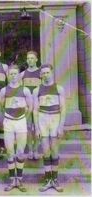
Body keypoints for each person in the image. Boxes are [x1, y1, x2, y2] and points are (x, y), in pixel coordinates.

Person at [32, 64, 66, 192]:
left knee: (55, 150)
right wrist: (37, 128)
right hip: (42, 119)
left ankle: (55, 180)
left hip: (55, 119)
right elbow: (35, 110)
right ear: (41, 74)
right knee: (46, 150)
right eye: (43, 73)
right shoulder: (37, 90)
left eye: (47, 72)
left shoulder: (59, 88)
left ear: (52, 72)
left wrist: (61, 126)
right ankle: (47, 180)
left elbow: (63, 109)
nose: (45, 75)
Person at [0, 65, 33, 192]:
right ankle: (11, 180)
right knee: (9, 152)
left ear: (19, 75)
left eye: (15, 74)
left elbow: (30, 107)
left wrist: (24, 118)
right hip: (8, 122)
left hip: (21, 122)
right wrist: (8, 117)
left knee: (20, 152)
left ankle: (19, 179)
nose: (13, 76)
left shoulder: (25, 90)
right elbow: (2, 106)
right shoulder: (4, 90)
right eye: (11, 74)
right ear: (8, 75)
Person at [20, 51, 41, 160]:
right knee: (28, 128)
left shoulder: (41, 73)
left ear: (36, 59)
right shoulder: (23, 74)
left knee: (38, 127)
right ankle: (30, 150)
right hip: (27, 106)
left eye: (32, 58)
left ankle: (36, 149)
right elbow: (20, 90)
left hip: (38, 105)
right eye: (28, 58)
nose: (30, 60)